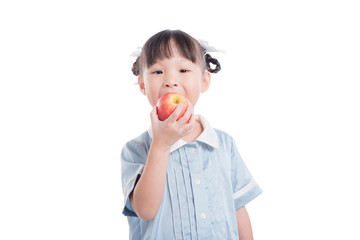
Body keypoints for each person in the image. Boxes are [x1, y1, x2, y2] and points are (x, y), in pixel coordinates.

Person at [121, 29, 262, 240]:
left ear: (204, 81)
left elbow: (238, 208)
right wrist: (160, 145)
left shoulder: (224, 145)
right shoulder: (136, 149)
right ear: (143, 84)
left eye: (183, 70)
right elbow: (145, 210)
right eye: (158, 72)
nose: (171, 81)